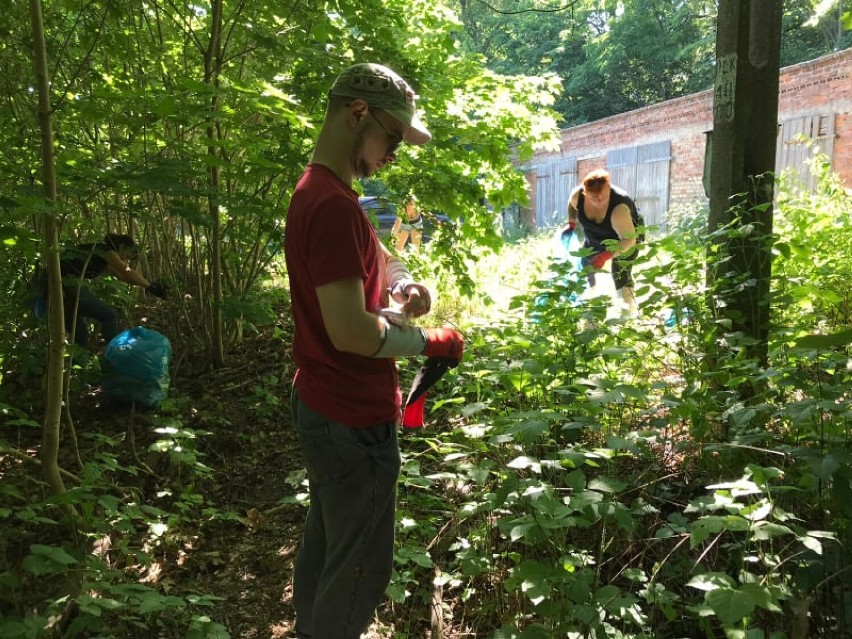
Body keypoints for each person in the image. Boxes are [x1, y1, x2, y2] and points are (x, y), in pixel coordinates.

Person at [283, 62, 464, 639]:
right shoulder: (332, 205)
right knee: (360, 566)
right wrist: (429, 341)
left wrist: (403, 285)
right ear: (356, 113)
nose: (394, 153)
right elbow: (351, 333)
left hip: (325, 404)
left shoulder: (328, 193)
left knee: (331, 542)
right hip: (350, 418)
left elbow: (376, 266)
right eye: (392, 136)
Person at [43, 233, 167, 348]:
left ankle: (77, 367)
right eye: (127, 255)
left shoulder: (103, 257)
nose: (126, 259)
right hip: (60, 284)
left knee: (81, 335)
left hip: (60, 287)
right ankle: (115, 357)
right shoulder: (106, 251)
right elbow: (126, 271)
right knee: (109, 315)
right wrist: (150, 286)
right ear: (122, 246)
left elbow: (121, 276)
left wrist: (152, 286)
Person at [563, 169, 641, 314]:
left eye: (603, 196)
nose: (599, 201)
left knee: (620, 272)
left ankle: (626, 316)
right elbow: (571, 206)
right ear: (585, 193)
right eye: (593, 197)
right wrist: (571, 222)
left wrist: (606, 255)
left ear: (608, 188)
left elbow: (630, 239)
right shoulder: (577, 196)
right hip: (595, 235)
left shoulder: (619, 208)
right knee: (586, 264)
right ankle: (590, 304)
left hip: (624, 236)